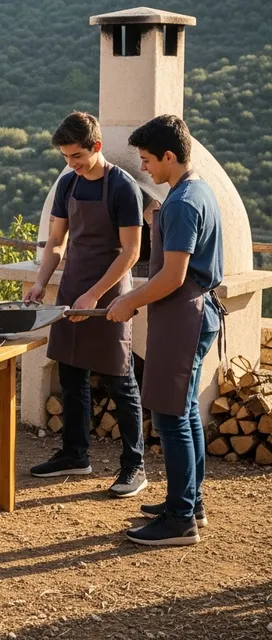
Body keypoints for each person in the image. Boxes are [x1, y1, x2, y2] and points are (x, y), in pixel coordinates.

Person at [107, 115, 225, 546]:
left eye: (147, 160)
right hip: (194, 313)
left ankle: (179, 520)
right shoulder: (196, 189)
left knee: (170, 416)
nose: (143, 168)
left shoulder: (181, 203)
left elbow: (173, 276)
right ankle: (190, 503)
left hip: (183, 317)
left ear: (169, 156)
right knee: (185, 410)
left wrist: (128, 301)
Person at [24, 112, 147, 498]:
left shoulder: (124, 187)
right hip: (72, 285)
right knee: (71, 374)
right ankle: (75, 455)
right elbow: (56, 242)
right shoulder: (67, 183)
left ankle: (135, 465)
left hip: (109, 292)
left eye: (76, 156)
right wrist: (40, 283)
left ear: (96, 146)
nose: (71, 163)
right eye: (65, 157)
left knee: (120, 378)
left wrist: (94, 294)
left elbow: (131, 251)